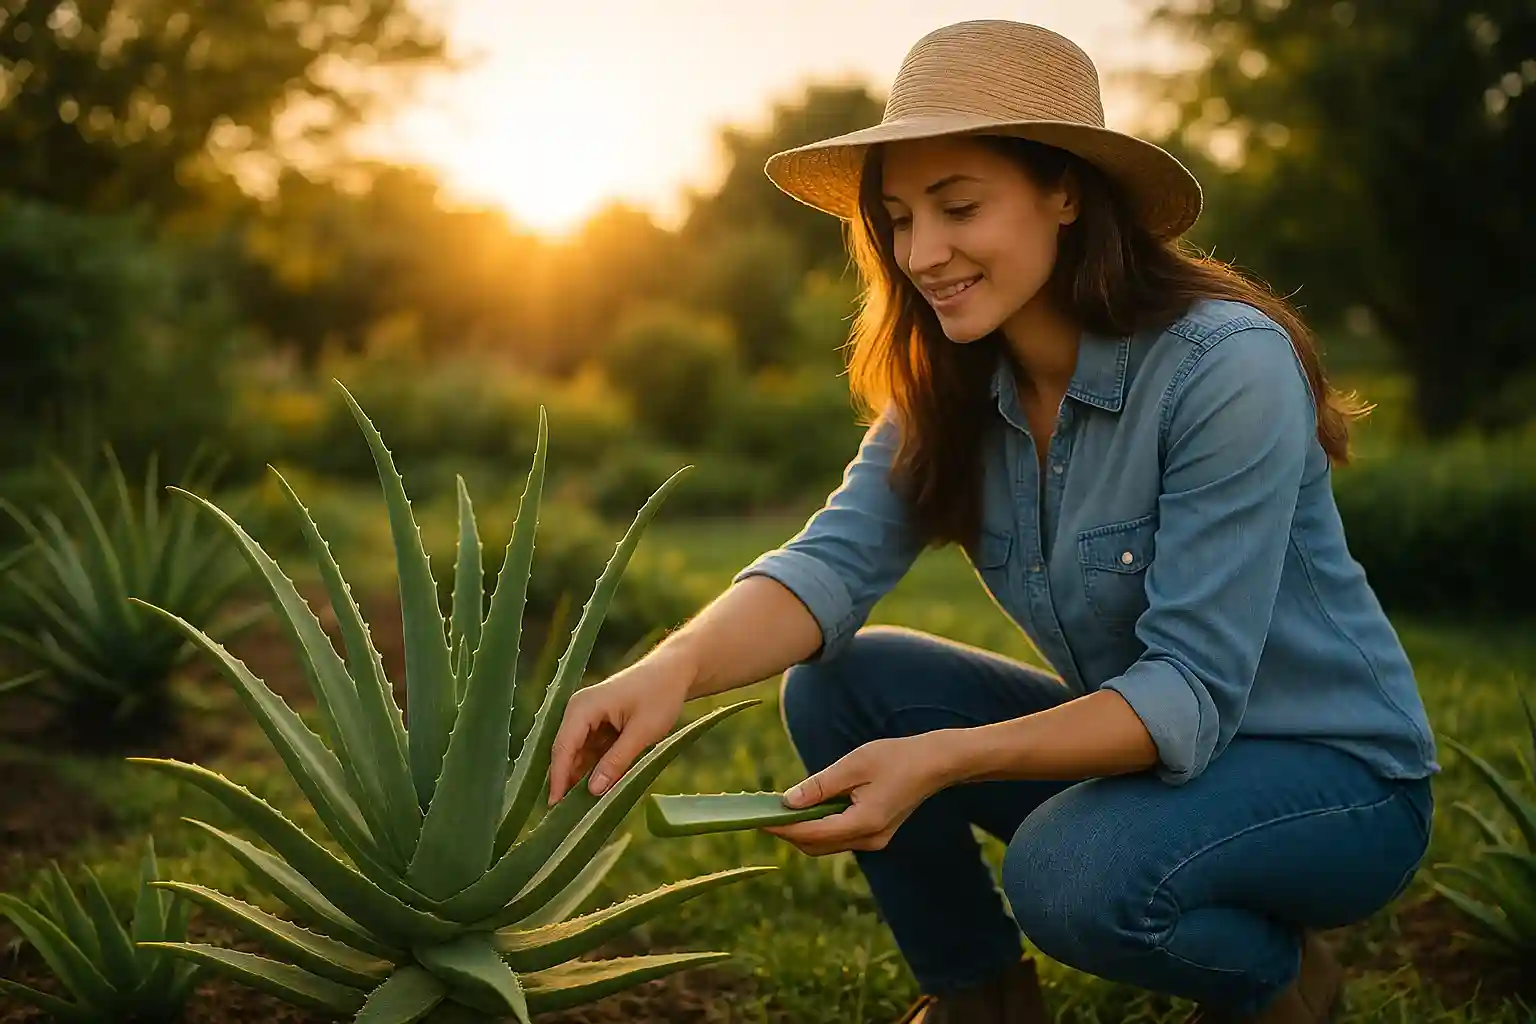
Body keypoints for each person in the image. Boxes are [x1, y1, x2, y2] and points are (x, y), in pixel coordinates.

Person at [547, 19, 1437, 1024]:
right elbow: (828, 566)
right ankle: (981, 998)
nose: (923, 253)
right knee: (846, 679)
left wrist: (943, 759)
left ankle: (1282, 975)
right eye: (898, 218)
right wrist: (668, 667)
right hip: (1156, 763)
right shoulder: (952, 383)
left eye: (958, 206)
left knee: (1067, 875)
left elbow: (1187, 690)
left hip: (1337, 784)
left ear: (1064, 190)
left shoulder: (1223, 366)